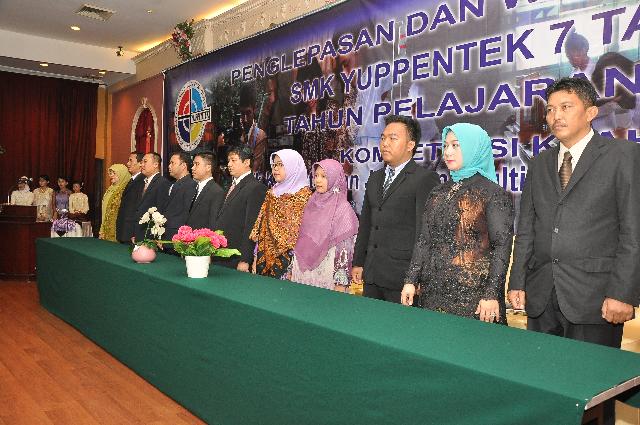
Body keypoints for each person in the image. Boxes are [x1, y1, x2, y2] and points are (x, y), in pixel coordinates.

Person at [508, 77, 640, 348]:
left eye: (566, 107)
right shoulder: (539, 163)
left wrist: (623, 293)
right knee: (541, 370)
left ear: (590, 113)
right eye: (550, 109)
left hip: (596, 298)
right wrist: (517, 281)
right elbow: (527, 229)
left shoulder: (623, 155)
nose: (556, 116)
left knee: (591, 374)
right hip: (541, 295)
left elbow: (633, 230)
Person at [401, 123, 514, 323]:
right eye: (445, 146)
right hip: (433, 293)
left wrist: (491, 294)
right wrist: (411, 280)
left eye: (455, 145)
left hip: (474, 299)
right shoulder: (438, 192)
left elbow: (501, 247)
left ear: (474, 148)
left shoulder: (493, 193)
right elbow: (424, 240)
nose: (448, 152)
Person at [352, 115, 440, 303]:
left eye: (393, 138)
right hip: (372, 274)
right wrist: (358, 262)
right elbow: (366, 224)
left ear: (410, 145)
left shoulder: (424, 179)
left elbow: (425, 233)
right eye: (383, 138)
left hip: (402, 279)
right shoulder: (374, 177)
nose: (385, 143)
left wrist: (416, 277)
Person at [290, 159, 358, 291]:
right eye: (316, 176)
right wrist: (291, 268)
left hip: (327, 272)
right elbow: (301, 238)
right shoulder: (312, 202)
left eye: (324, 176)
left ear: (335, 178)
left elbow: (345, 249)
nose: (318, 180)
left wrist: (340, 283)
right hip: (303, 272)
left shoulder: (343, 209)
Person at [250, 149, 312, 279]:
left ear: (293, 167)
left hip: (291, 260)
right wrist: (255, 256)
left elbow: (307, 235)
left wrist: (295, 267)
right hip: (264, 257)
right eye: (274, 165)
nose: (275, 169)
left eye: (281, 164)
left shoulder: (305, 197)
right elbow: (262, 227)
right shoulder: (272, 193)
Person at [215, 145, 267, 271]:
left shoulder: (255, 188)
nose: (229, 164)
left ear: (247, 162)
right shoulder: (230, 185)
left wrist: (245, 259)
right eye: (228, 161)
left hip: (236, 256)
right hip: (220, 253)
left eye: (233, 160)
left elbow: (251, 226)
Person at [134, 152, 171, 242]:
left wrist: (156, 237)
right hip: (139, 232)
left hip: (151, 235)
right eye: (141, 162)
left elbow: (161, 211)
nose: (142, 165)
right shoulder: (142, 182)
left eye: (145, 161)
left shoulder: (162, 183)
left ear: (155, 164)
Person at [163, 152, 197, 241]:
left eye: (172, 163)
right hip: (167, 234)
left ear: (183, 166)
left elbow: (186, 214)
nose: (169, 166)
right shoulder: (173, 184)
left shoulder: (191, 185)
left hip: (178, 236)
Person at [186, 151, 224, 229]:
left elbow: (213, 223)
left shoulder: (216, 192)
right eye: (193, 164)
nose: (192, 168)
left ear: (208, 167)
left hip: (202, 236)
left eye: (197, 164)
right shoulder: (193, 187)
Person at [116, 151, 145, 243]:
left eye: (131, 160)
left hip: (131, 230)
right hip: (124, 228)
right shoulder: (131, 180)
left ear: (140, 163)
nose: (127, 163)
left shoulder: (143, 181)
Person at [99, 164, 131, 242]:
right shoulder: (110, 188)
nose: (111, 175)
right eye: (110, 173)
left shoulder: (126, 190)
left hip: (118, 229)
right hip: (106, 225)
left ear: (122, 174)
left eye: (114, 173)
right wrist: (102, 229)